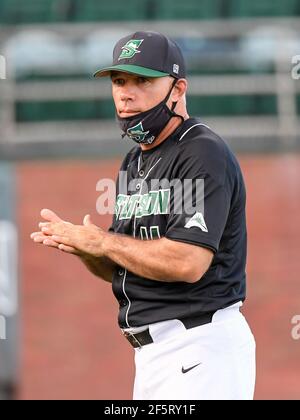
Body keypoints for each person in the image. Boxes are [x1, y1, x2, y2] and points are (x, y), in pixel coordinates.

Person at [31, 31, 256, 400]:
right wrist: (87, 249)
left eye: (143, 80)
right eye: (119, 81)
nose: (126, 92)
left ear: (178, 88)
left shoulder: (201, 152)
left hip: (200, 345)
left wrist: (103, 241)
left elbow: (188, 262)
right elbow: (123, 265)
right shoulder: (135, 161)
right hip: (155, 355)